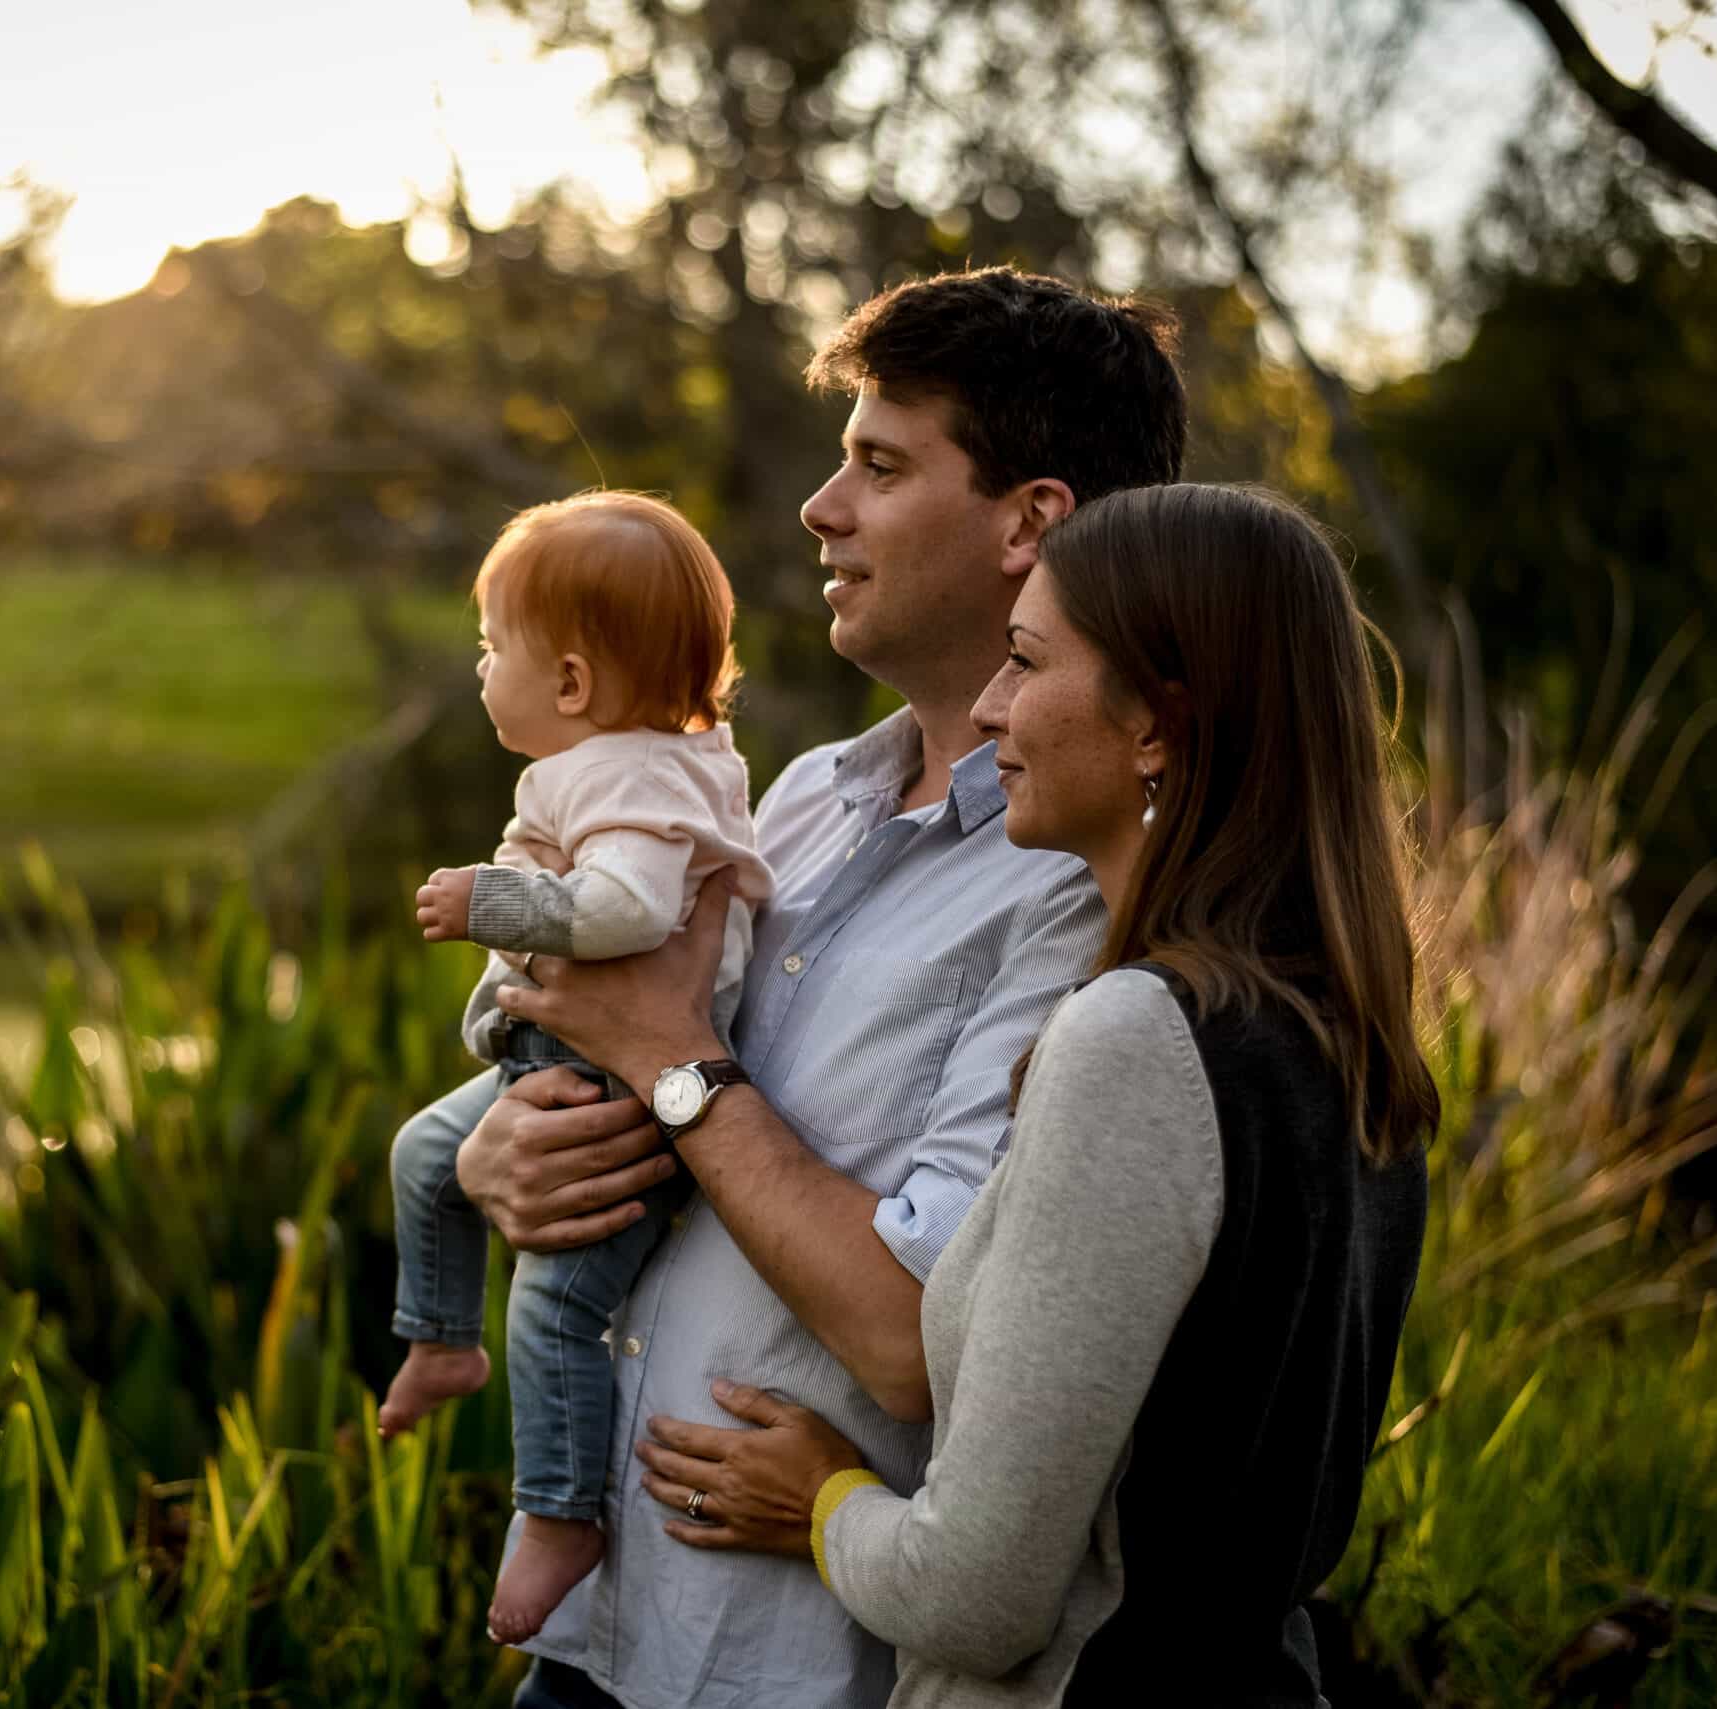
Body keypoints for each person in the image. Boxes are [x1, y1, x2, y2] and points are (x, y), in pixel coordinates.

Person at [426, 268, 1188, 1709]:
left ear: (1033, 520)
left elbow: (918, 1335)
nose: (819, 508)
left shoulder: (1086, 888)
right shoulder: (801, 800)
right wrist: (505, 1149)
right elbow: (632, 1074)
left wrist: (672, 1066)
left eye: (880, 465)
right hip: (608, 1622)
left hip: (772, 1664)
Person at [623, 483, 1438, 1706]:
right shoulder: (1344, 1037)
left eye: (1026, 659)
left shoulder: (1137, 1038)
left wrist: (825, 1497)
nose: (994, 705)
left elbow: (975, 1594)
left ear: (1157, 725)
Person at [380, 492, 777, 1643]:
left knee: (556, 1306)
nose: (477, 665)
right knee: (423, 1152)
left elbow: (626, 908)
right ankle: (440, 1336)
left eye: (490, 645)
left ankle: (560, 1511)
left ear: (567, 683)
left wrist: (486, 901)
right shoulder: (610, 763)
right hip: (568, 1054)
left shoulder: (636, 779)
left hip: (619, 1084)